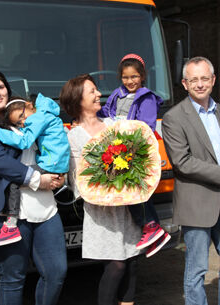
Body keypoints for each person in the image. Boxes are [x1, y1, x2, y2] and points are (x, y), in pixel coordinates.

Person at [0, 70, 66, 305]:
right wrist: (40, 180)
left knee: (56, 272)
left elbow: (54, 142)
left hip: (45, 207)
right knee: (13, 278)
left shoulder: (25, 112)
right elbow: (2, 163)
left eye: (0, 87)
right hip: (6, 212)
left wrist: (61, 173)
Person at [162, 56, 220, 305]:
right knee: (197, 271)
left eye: (204, 78)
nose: (200, 84)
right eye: (194, 80)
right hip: (197, 201)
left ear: (213, 80)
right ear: (184, 83)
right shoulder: (174, 118)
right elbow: (182, 162)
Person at [61, 74, 143, 305]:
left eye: (97, 90)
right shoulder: (74, 136)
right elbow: (77, 178)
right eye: (92, 91)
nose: (99, 95)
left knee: (131, 263)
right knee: (115, 265)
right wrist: (108, 181)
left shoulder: (113, 125)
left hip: (127, 207)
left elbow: (134, 158)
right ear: (78, 100)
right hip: (101, 211)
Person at [97, 53, 169, 254]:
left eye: (134, 77)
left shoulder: (147, 98)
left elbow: (146, 126)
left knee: (135, 189)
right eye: (126, 77)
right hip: (118, 149)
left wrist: (126, 136)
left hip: (135, 148)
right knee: (131, 190)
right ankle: (150, 230)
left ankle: (151, 225)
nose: (130, 81)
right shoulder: (116, 94)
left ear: (142, 76)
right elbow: (105, 112)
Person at [0, 93, 70, 247]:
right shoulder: (48, 114)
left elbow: (24, 142)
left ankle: (11, 225)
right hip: (55, 165)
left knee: (16, 179)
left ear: (29, 105)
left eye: (22, 116)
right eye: (19, 122)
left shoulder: (38, 118)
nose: (24, 122)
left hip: (50, 165)